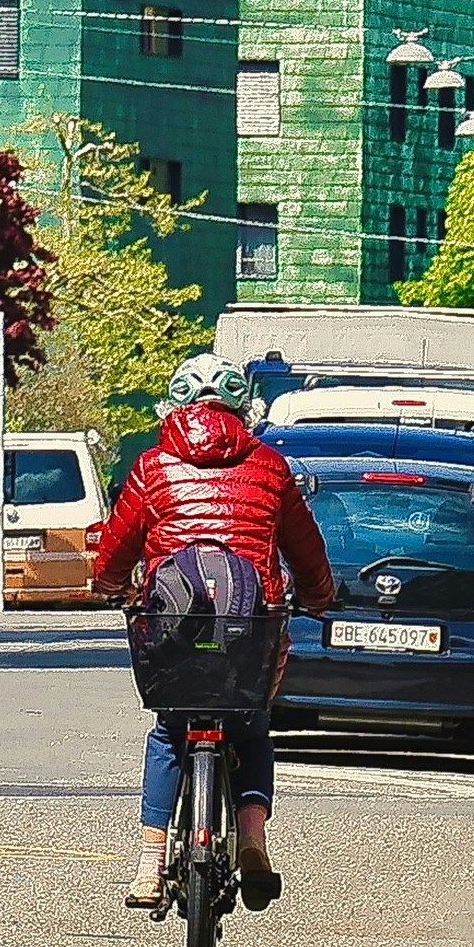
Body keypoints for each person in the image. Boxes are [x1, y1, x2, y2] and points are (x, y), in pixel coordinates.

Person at [87, 382, 338, 912]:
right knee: (249, 727)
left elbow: (118, 544)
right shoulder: (270, 466)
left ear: (177, 408)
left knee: (169, 730)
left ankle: (150, 865)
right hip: (250, 628)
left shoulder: (153, 466)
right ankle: (252, 841)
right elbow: (305, 546)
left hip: (173, 630)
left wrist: (111, 586)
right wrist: (319, 596)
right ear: (240, 408)